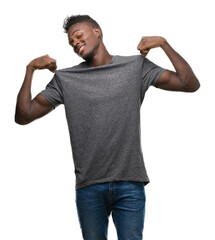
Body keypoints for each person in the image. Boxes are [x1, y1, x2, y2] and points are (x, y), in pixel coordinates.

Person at [15, 15, 200, 240]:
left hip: (130, 183)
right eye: (71, 43)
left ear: (97, 31)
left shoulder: (135, 67)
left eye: (78, 36)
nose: (75, 44)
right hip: (89, 187)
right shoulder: (66, 79)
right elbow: (24, 115)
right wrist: (30, 69)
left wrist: (163, 43)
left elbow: (189, 84)